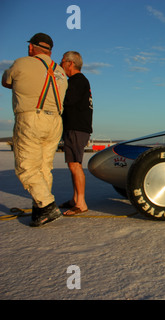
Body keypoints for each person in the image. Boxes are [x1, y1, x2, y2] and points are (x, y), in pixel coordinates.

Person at [1, 33, 68, 227]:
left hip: (31, 118)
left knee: (27, 168)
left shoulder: (22, 63)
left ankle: (47, 205)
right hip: (55, 122)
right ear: (50, 50)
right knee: (44, 168)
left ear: (31, 47)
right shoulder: (60, 71)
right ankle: (41, 212)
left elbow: (6, 81)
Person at [59, 51, 93, 216]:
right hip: (76, 128)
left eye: (62, 62)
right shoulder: (79, 81)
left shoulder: (77, 81)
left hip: (76, 128)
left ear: (70, 63)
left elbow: (66, 101)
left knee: (75, 165)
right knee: (72, 164)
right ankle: (75, 199)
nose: (60, 65)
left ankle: (81, 203)